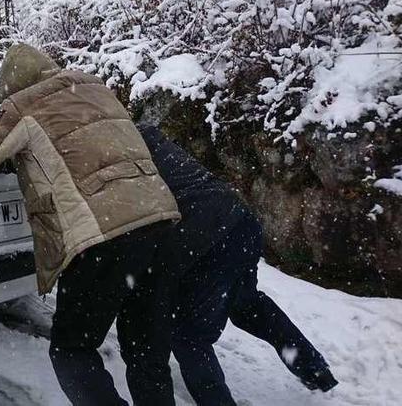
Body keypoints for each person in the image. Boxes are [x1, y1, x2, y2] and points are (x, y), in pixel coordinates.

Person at [0, 43, 181, 405]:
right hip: (161, 223)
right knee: (146, 351)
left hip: (102, 236)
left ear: (11, 88)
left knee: (72, 351)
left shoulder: (24, 105)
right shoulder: (95, 87)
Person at [116, 124, 338, 405]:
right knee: (246, 305)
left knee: (188, 333)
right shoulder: (143, 132)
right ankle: (317, 371)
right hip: (238, 222)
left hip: (204, 239)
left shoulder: (109, 152)